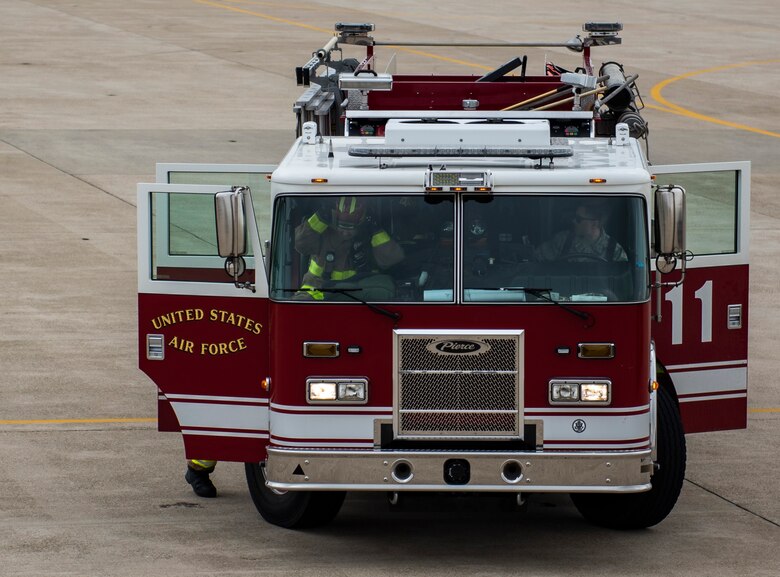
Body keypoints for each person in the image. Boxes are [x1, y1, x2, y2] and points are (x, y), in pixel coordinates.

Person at [294, 196, 404, 300]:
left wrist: (375, 230)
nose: (345, 233)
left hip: (359, 295)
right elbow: (300, 245)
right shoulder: (322, 232)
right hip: (318, 290)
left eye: (351, 227)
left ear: (361, 222)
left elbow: (393, 259)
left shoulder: (370, 235)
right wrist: (319, 218)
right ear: (334, 218)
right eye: (341, 226)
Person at [535, 203, 627, 262]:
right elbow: (537, 260)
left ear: (595, 224)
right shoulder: (562, 241)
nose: (574, 221)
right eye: (575, 217)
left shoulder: (614, 250)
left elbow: (623, 283)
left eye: (579, 219)